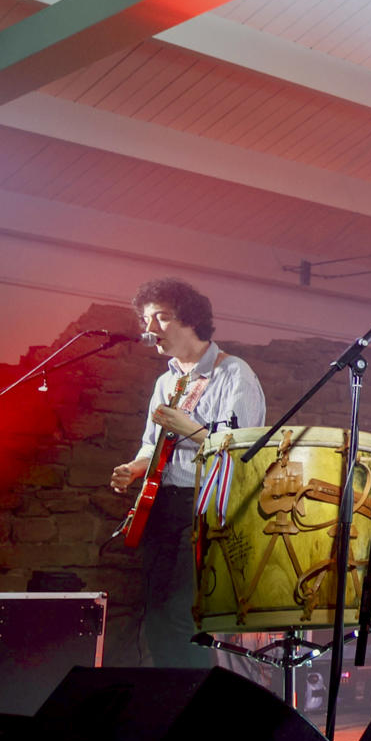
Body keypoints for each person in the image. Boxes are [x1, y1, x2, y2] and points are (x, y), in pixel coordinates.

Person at [110, 278, 265, 669]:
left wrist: (190, 429)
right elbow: (153, 444)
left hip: (207, 507)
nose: (151, 328)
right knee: (156, 617)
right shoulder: (167, 382)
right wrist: (134, 468)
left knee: (181, 614)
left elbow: (243, 452)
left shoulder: (235, 374)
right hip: (163, 505)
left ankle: (195, 706)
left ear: (191, 320)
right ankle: (170, 700)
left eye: (161, 317)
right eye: (147, 319)